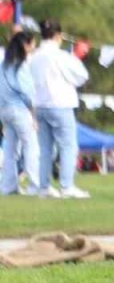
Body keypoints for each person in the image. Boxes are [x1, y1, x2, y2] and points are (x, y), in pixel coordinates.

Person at [29, 19, 91, 199]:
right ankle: (66, 186)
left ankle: (44, 187)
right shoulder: (62, 56)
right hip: (60, 104)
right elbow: (82, 75)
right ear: (58, 36)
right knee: (68, 146)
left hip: (40, 105)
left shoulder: (34, 56)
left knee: (45, 149)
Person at [1, 31, 39, 196]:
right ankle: (35, 185)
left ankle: (8, 186)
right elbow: (28, 94)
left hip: (4, 111)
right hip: (20, 110)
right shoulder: (21, 66)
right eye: (32, 43)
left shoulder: (3, 65)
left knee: (10, 150)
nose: (34, 47)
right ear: (25, 45)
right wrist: (34, 116)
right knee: (31, 146)